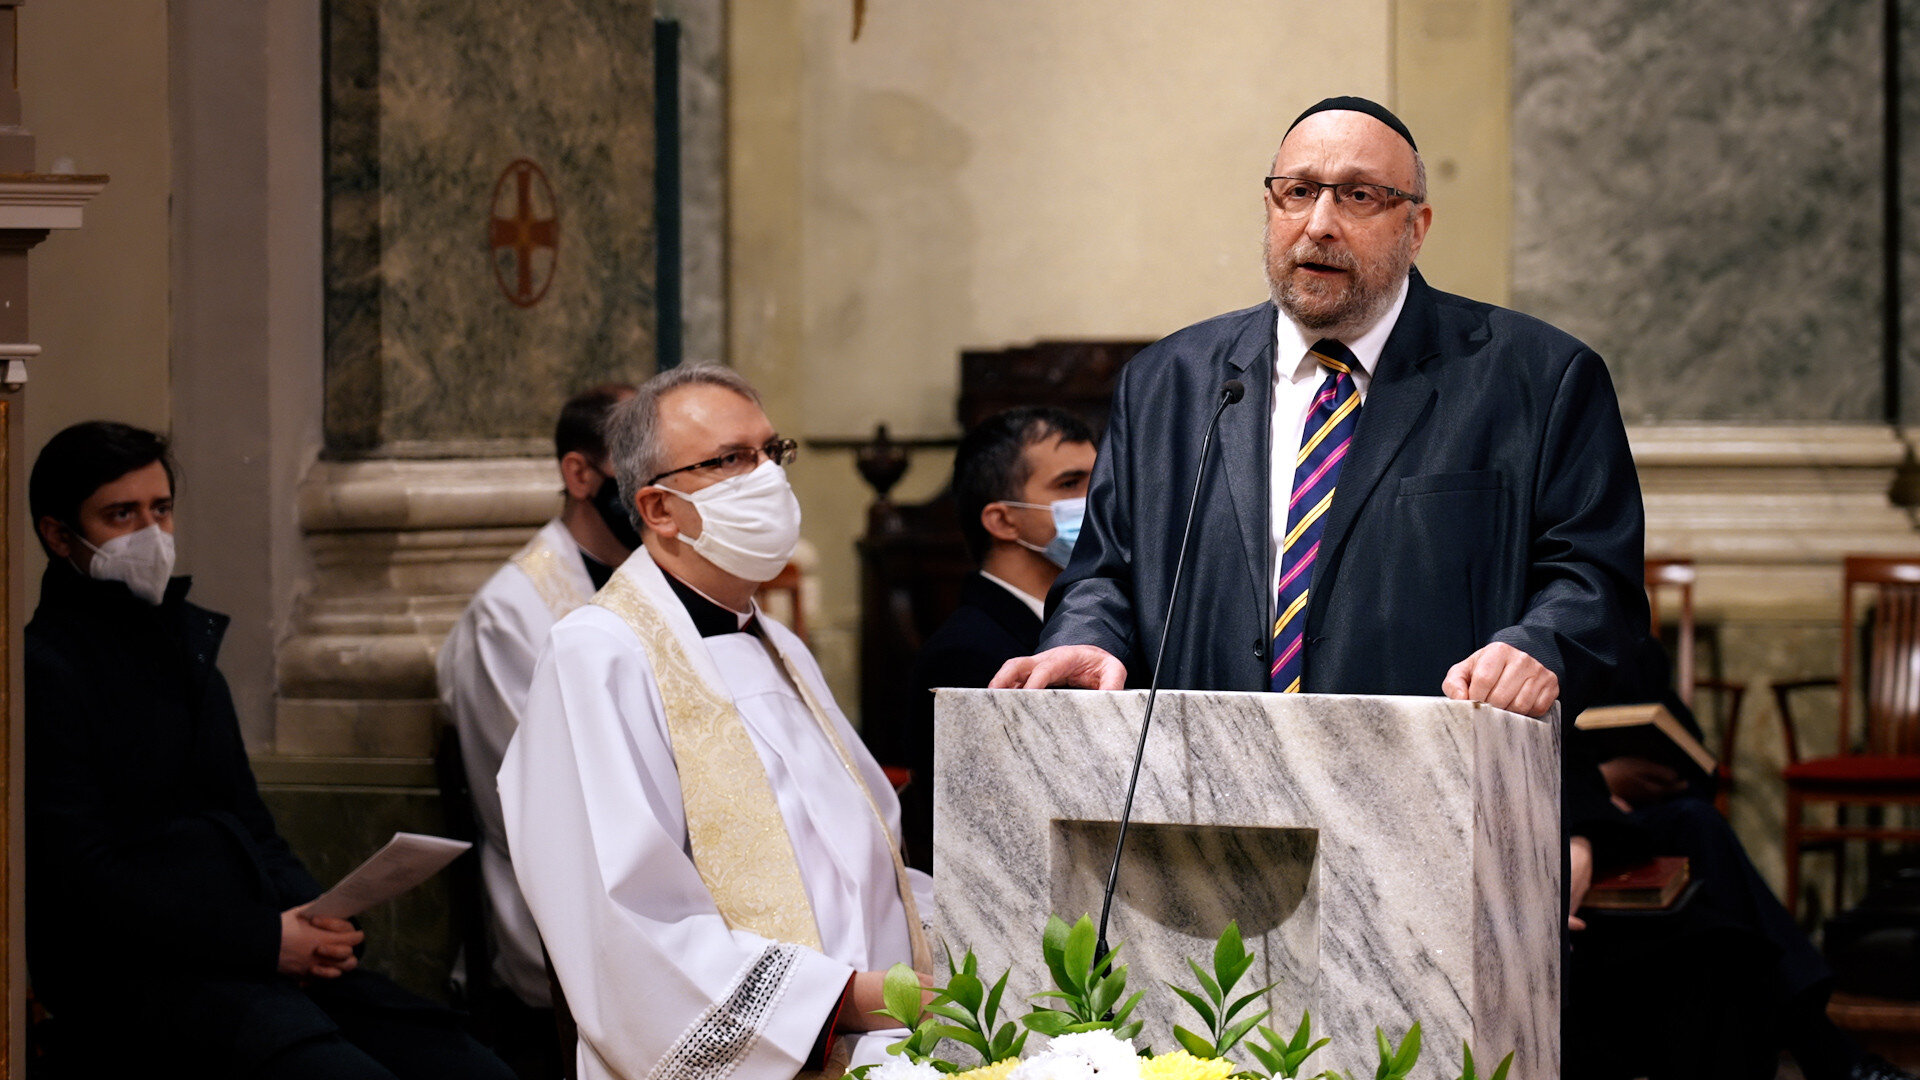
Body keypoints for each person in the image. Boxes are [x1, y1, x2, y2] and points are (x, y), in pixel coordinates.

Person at [25, 421, 515, 1080]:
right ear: (59, 536)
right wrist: (267, 942)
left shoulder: (186, 647)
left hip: (253, 956)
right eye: (121, 515)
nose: (151, 533)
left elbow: (250, 825)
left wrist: (318, 919)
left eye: (161, 509)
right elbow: (86, 879)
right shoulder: (43, 670)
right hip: (143, 980)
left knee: (473, 1071)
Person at [499, 364, 932, 1079]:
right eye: (731, 459)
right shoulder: (598, 655)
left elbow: (865, 866)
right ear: (658, 508)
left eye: (772, 452)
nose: (767, 477)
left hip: (885, 1031)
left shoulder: (775, 642)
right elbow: (626, 924)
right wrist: (846, 1002)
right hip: (795, 1046)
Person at [437, 381, 636, 1020]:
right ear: (580, 475)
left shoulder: (659, 586)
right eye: (638, 467)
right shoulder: (510, 614)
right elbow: (529, 805)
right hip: (565, 905)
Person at [903, 406, 1096, 868]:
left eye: (1101, 479)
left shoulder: (1090, 624)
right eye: (1070, 484)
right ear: (1004, 521)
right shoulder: (965, 654)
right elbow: (993, 830)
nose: (1101, 500)